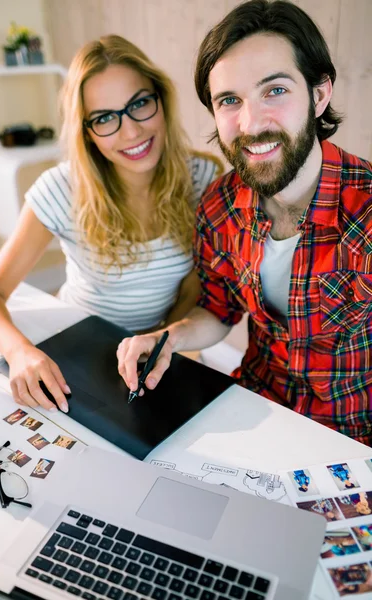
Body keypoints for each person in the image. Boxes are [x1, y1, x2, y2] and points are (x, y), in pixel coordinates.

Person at [117, 0, 372, 445]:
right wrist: (168, 338)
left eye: (275, 90)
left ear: (319, 94)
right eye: (230, 100)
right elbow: (217, 311)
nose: (251, 123)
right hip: (254, 408)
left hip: (352, 439)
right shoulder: (219, 205)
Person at [0, 36, 221, 414]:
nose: (131, 131)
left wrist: (158, 342)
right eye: (104, 118)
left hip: (161, 347)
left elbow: (193, 285)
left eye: (139, 103)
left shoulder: (204, 178)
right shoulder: (61, 189)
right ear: (86, 132)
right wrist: (20, 353)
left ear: (161, 99)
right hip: (79, 344)